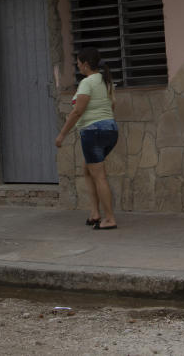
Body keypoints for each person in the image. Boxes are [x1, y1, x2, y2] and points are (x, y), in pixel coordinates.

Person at [54, 46, 119, 230]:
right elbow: (111, 105)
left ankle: (110, 219)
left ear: (86, 65)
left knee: (99, 175)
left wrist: (61, 135)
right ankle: (94, 213)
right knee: (88, 170)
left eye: (79, 64)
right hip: (111, 130)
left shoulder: (87, 83)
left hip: (93, 132)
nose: (78, 66)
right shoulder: (105, 80)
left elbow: (77, 112)